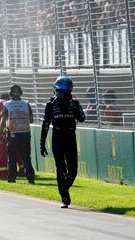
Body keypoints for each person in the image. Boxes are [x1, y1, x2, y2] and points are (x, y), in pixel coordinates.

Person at [40, 76, 85, 208]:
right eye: (61, 91)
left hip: (70, 138)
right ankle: (64, 196)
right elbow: (46, 124)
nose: (63, 94)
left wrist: (75, 107)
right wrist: (42, 143)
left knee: (73, 171)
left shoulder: (75, 104)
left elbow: (82, 118)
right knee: (61, 168)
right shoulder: (50, 105)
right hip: (57, 138)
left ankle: (64, 188)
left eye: (66, 92)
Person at [0, 85, 35, 184]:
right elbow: (31, 120)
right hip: (25, 133)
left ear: (10, 94)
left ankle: (11, 177)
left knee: (12, 156)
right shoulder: (26, 104)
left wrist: (0, 132)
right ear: (20, 93)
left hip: (13, 134)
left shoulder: (7, 104)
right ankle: (30, 175)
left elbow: (3, 119)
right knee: (26, 156)